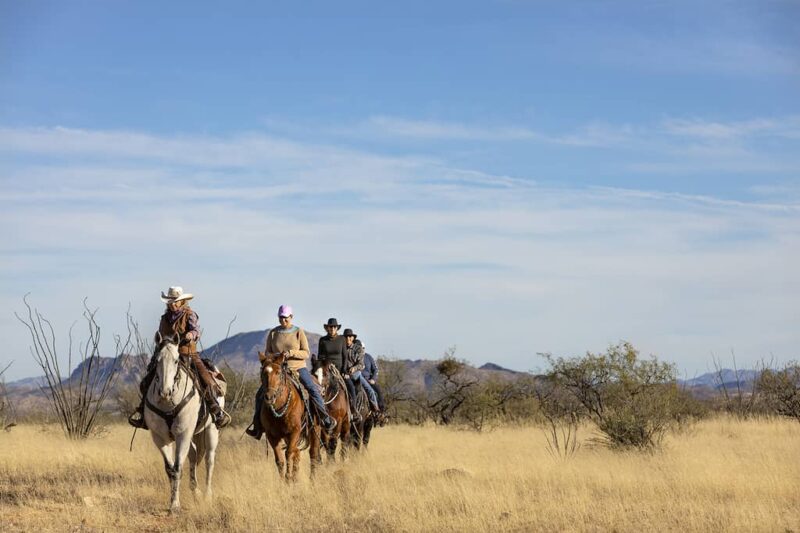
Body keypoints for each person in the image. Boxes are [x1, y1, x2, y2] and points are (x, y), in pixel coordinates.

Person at [128, 286, 231, 429]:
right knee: (147, 381)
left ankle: (216, 410)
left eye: (175, 301)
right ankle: (143, 412)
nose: (172, 304)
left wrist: (191, 335)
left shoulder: (190, 315)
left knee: (206, 379)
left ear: (182, 301)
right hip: (166, 354)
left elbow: (196, 330)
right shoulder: (164, 318)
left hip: (188, 353)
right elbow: (161, 335)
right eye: (170, 301)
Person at [246, 305, 336, 439]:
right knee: (260, 393)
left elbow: (306, 353)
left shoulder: (298, 331)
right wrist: (274, 357)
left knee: (313, 388)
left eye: (285, 317)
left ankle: (325, 418)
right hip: (278, 369)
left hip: (297, 368)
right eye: (281, 317)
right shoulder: (273, 333)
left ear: (291, 317)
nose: (283, 320)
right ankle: (257, 426)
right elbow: (267, 352)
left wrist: (290, 353)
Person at [342, 328, 381, 418]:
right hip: (343, 374)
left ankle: (376, 411)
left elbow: (361, 365)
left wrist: (353, 368)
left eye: (350, 337)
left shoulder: (357, 348)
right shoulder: (341, 348)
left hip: (356, 375)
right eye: (346, 337)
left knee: (370, 391)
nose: (348, 339)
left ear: (352, 338)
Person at [362, 348, 385, 413]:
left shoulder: (368, 357)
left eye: (363, 348)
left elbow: (375, 369)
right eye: (360, 348)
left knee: (378, 391)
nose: (362, 349)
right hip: (358, 380)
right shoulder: (354, 356)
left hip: (368, 380)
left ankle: (381, 411)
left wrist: (373, 379)